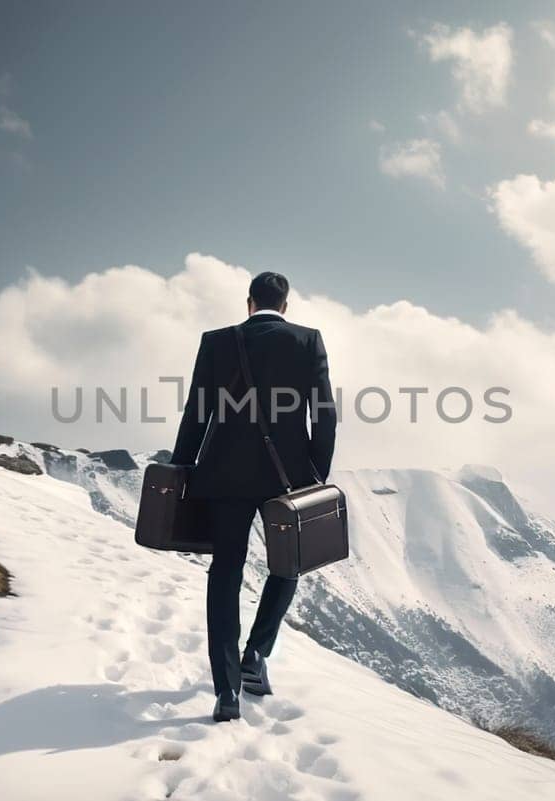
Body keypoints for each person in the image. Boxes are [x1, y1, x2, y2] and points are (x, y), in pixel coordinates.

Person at [170, 271, 336, 722]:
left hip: (223, 477)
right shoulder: (307, 341)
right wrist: (316, 473)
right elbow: (324, 413)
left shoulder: (217, 341)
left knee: (224, 571)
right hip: (288, 478)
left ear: (249, 303)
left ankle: (226, 691)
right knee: (289, 564)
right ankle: (256, 656)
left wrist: (182, 468)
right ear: (285, 305)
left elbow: (196, 413)